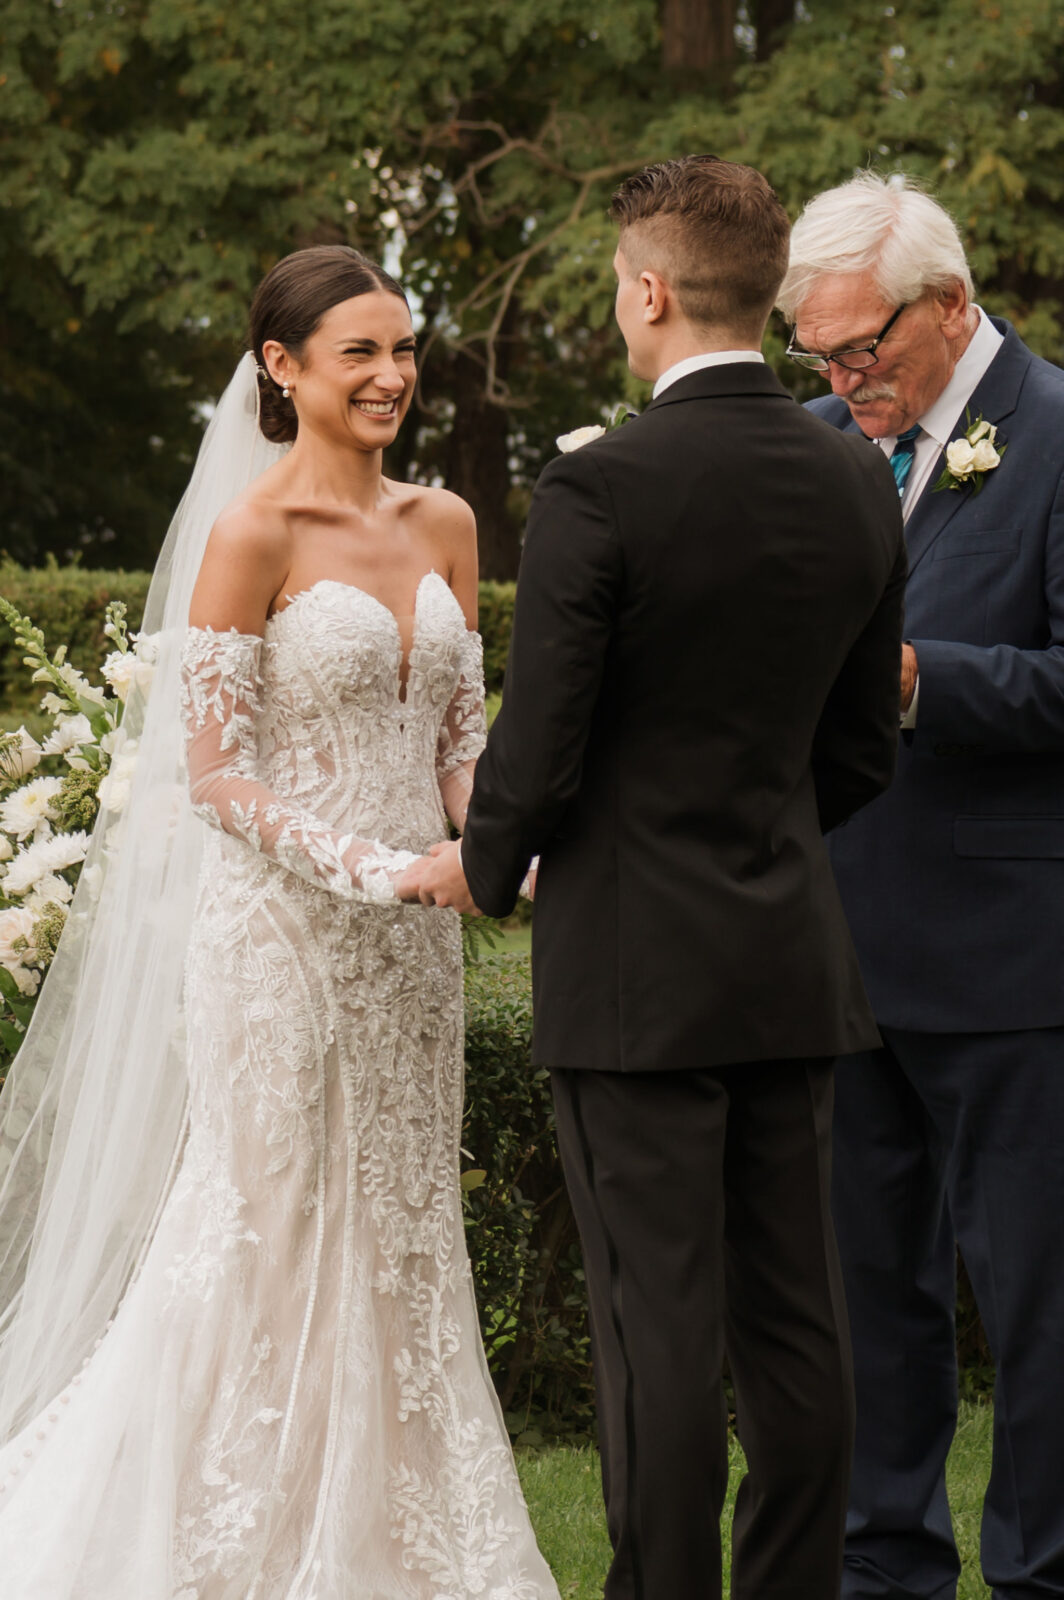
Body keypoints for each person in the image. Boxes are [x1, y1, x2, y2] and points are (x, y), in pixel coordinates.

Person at [0, 246, 559, 1598]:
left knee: (404, 1231)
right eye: (358, 351)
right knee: (268, 1231)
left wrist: (507, 848)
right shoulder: (254, 534)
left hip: (412, 958)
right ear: (281, 366)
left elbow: (461, 747)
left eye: (404, 349)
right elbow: (216, 776)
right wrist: (379, 870)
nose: (390, 376)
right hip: (280, 949)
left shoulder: (448, 523)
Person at [410, 155, 906, 1600]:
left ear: (649, 291)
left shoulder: (600, 487)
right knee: (798, 1326)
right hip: (790, 959)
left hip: (634, 976)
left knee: (658, 1332)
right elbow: (863, 750)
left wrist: (490, 865)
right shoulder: (855, 476)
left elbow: (543, 749)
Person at [778, 171, 1064, 1600]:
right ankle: (882, 1572)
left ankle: (1039, 1574)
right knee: (860, 1308)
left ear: (951, 306)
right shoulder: (819, 445)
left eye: (863, 351)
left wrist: (912, 681)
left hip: (1017, 960)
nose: (842, 381)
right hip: (834, 944)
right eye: (819, 355)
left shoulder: (1063, 435)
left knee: (1040, 1310)